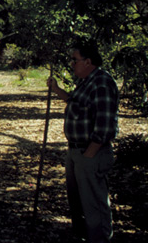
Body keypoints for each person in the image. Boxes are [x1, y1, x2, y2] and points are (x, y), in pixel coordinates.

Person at [47, 41, 119, 243]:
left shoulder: (102, 83)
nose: (72, 64)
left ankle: (100, 239)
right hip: (76, 152)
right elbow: (74, 101)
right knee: (78, 201)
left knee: (94, 203)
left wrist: (90, 153)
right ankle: (83, 236)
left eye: (75, 60)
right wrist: (56, 89)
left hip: (91, 153)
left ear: (88, 61)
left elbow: (105, 124)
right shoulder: (86, 82)